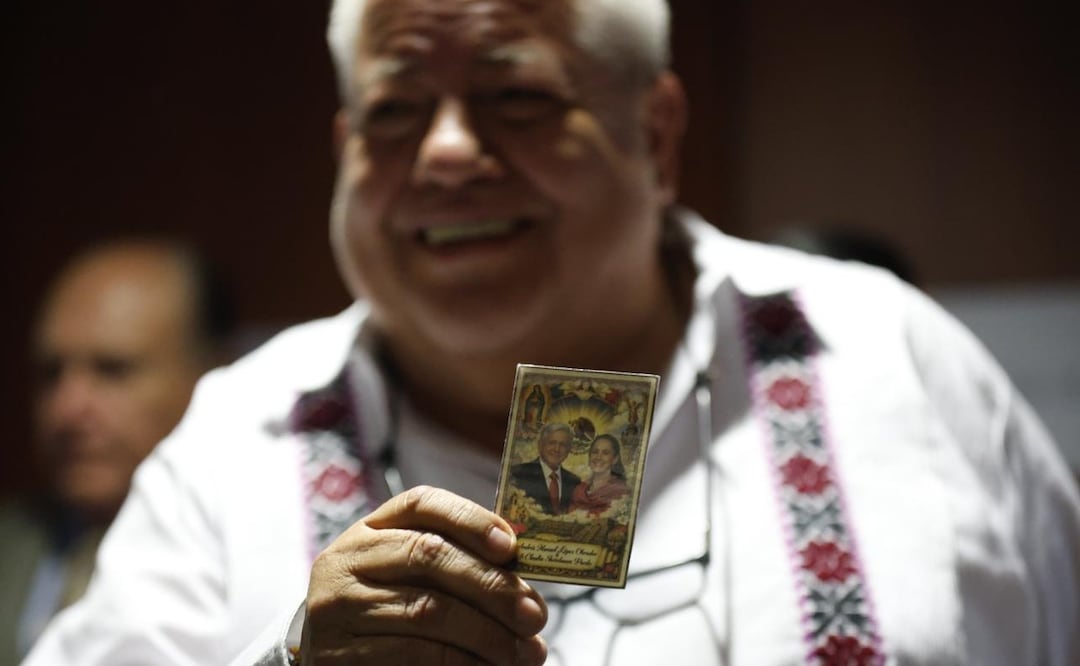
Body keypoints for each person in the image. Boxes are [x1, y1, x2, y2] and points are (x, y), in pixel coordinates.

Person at [26, 1, 1080, 665]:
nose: (444, 153)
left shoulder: (879, 351)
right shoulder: (237, 439)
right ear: (344, 148)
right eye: (394, 112)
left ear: (654, 135)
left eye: (514, 95)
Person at [1, 239, 232, 665]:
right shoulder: (11, 543)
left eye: (113, 369)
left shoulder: (258, 558)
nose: (67, 409)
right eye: (51, 374)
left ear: (211, 376)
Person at [510, 423, 582, 515]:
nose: (557, 449)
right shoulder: (517, 474)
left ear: (568, 450)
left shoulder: (575, 482)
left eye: (563, 445)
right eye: (552, 443)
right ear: (540, 445)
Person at [568, 434, 630, 517]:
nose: (598, 457)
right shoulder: (579, 490)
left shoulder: (620, 492)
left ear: (615, 459)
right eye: (595, 452)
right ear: (589, 456)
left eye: (605, 453)